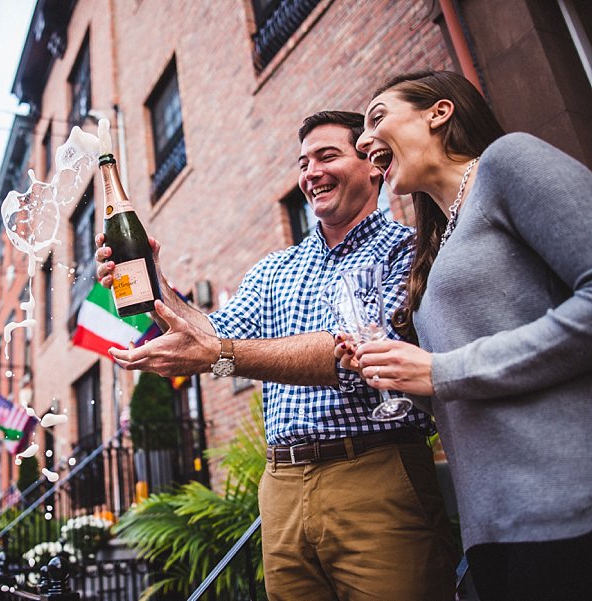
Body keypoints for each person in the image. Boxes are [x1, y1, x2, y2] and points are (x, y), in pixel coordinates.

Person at [96, 111, 458, 600]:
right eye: (303, 163)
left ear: (373, 164)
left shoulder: (408, 250)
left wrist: (219, 353)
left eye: (327, 156)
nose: (310, 173)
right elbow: (214, 335)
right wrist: (153, 279)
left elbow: (351, 353)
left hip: (376, 474)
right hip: (281, 485)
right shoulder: (274, 268)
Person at [345, 70, 592, 600]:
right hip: (491, 530)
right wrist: (403, 376)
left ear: (439, 112)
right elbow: (465, 386)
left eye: (377, 118)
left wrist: (439, 370)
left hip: (568, 507)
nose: (364, 141)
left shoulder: (509, 161)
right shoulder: (438, 246)